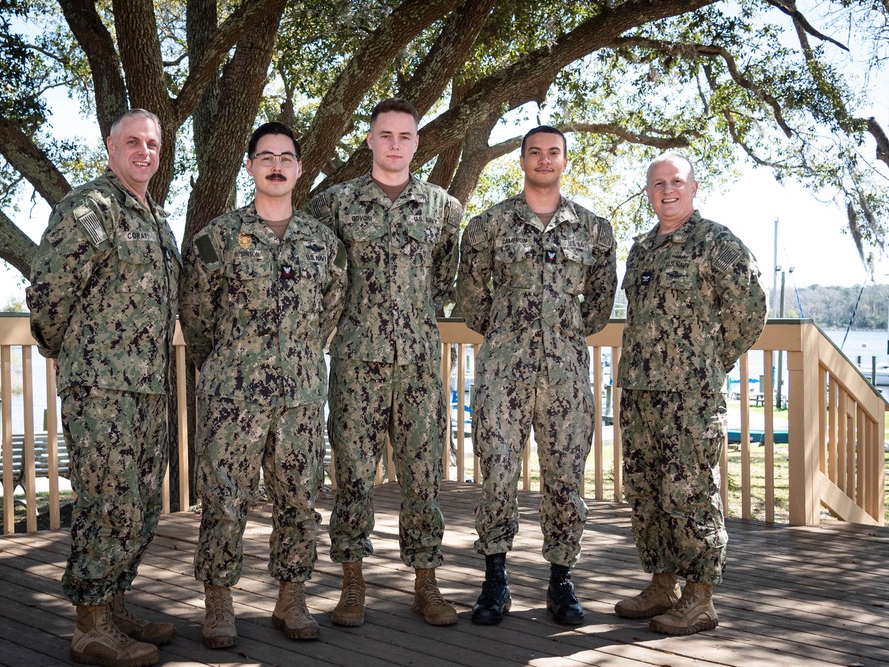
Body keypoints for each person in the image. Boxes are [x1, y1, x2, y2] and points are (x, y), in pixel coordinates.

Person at [179, 122, 347, 646]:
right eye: (265, 156)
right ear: (249, 166)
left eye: (286, 157)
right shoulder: (217, 237)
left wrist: (296, 356)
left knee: (298, 498)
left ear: (298, 168)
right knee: (224, 499)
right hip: (233, 395)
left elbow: (331, 310)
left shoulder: (324, 243)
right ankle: (219, 605)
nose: (276, 165)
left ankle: (291, 599)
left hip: (299, 394)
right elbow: (196, 313)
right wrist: (231, 362)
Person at [26, 108, 180, 667]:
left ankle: (114, 604)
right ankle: (90, 625)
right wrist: (73, 354)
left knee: (140, 506)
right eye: (133, 142)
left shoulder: (157, 217)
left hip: (149, 388)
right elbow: (49, 293)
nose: (145, 152)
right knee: (108, 500)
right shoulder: (89, 208)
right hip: (102, 389)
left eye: (154, 145)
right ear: (110, 147)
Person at [306, 98, 462, 628]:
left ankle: (427, 581)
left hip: (418, 362)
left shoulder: (443, 208)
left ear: (417, 143)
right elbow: (322, 273)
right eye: (385, 135)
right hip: (356, 361)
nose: (395, 144)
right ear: (370, 140)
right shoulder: (335, 205)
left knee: (424, 476)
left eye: (405, 136)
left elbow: (445, 278)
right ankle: (352, 584)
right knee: (353, 474)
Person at [454, 125, 616, 627]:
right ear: (521, 160)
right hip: (503, 374)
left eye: (554, 152)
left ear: (566, 161)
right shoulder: (488, 226)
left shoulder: (593, 229)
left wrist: (562, 336)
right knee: (497, 475)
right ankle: (494, 580)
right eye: (535, 152)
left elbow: (600, 305)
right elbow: (471, 300)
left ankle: (561, 580)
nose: (544, 160)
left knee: (565, 480)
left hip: (566, 377)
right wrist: (509, 334)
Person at [615, 152, 767, 636]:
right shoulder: (641, 249)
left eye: (676, 181)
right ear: (648, 192)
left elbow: (751, 309)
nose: (667, 190)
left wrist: (706, 362)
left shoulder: (716, 242)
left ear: (693, 187)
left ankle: (700, 597)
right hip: (640, 391)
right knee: (646, 490)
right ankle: (662, 585)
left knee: (690, 492)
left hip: (690, 398)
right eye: (657, 183)